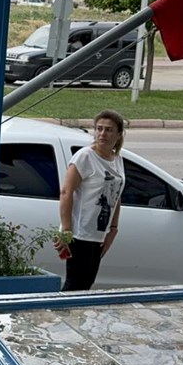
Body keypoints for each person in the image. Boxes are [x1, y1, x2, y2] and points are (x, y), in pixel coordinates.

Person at [56, 110, 126, 291]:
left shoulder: (117, 159)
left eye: (109, 130)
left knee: (87, 283)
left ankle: (76, 318)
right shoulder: (85, 156)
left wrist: (113, 229)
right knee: (75, 284)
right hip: (79, 233)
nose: (103, 134)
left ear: (119, 134)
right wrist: (66, 231)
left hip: (98, 233)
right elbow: (66, 192)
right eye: (99, 129)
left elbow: (116, 195)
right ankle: (61, 317)